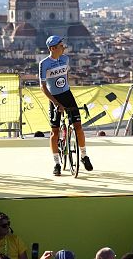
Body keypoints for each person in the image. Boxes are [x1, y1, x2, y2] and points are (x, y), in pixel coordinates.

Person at [39, 35, 94, 176]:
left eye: (63, 45)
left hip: (67, 95)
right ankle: (57, 163)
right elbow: (43, 87)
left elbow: (66, 76)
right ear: (52, 48)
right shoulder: (44, 64)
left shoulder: (65, 59)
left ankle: (84, 156)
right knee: (55, 132)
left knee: (78, 126)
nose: (64, 47)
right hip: (54, 98)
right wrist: (56, 103)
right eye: (61, 46)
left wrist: (66, 89)